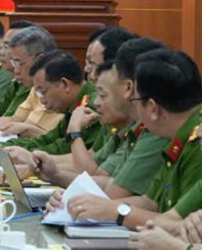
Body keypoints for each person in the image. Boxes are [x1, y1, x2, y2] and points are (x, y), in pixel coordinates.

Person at [55, 49, 201, 229]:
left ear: (153, 108)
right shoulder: (175, 138)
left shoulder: (196, 144)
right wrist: (87, 204)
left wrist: (114, 210)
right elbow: (151, 202)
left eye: (135, 102)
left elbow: (178, 224)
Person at [37, 38, 168, 198]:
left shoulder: (155, 131)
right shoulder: (132, 127)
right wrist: (53, 174)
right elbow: (106, 181)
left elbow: (106, 186)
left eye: (103, 94)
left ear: (128, 87)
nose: (96, 102)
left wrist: (74, 132)